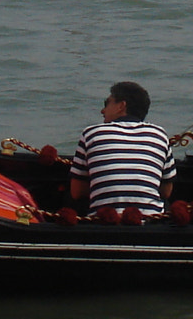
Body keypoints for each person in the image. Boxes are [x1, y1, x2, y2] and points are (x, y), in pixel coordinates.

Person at [69, 80, 174, 218]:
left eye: (106, 103)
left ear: (121, 106)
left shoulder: (92, 133)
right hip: (150, 221)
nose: (103, 110)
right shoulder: (159, 135)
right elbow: (166, 191)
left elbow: (77, 192)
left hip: (105, 220)